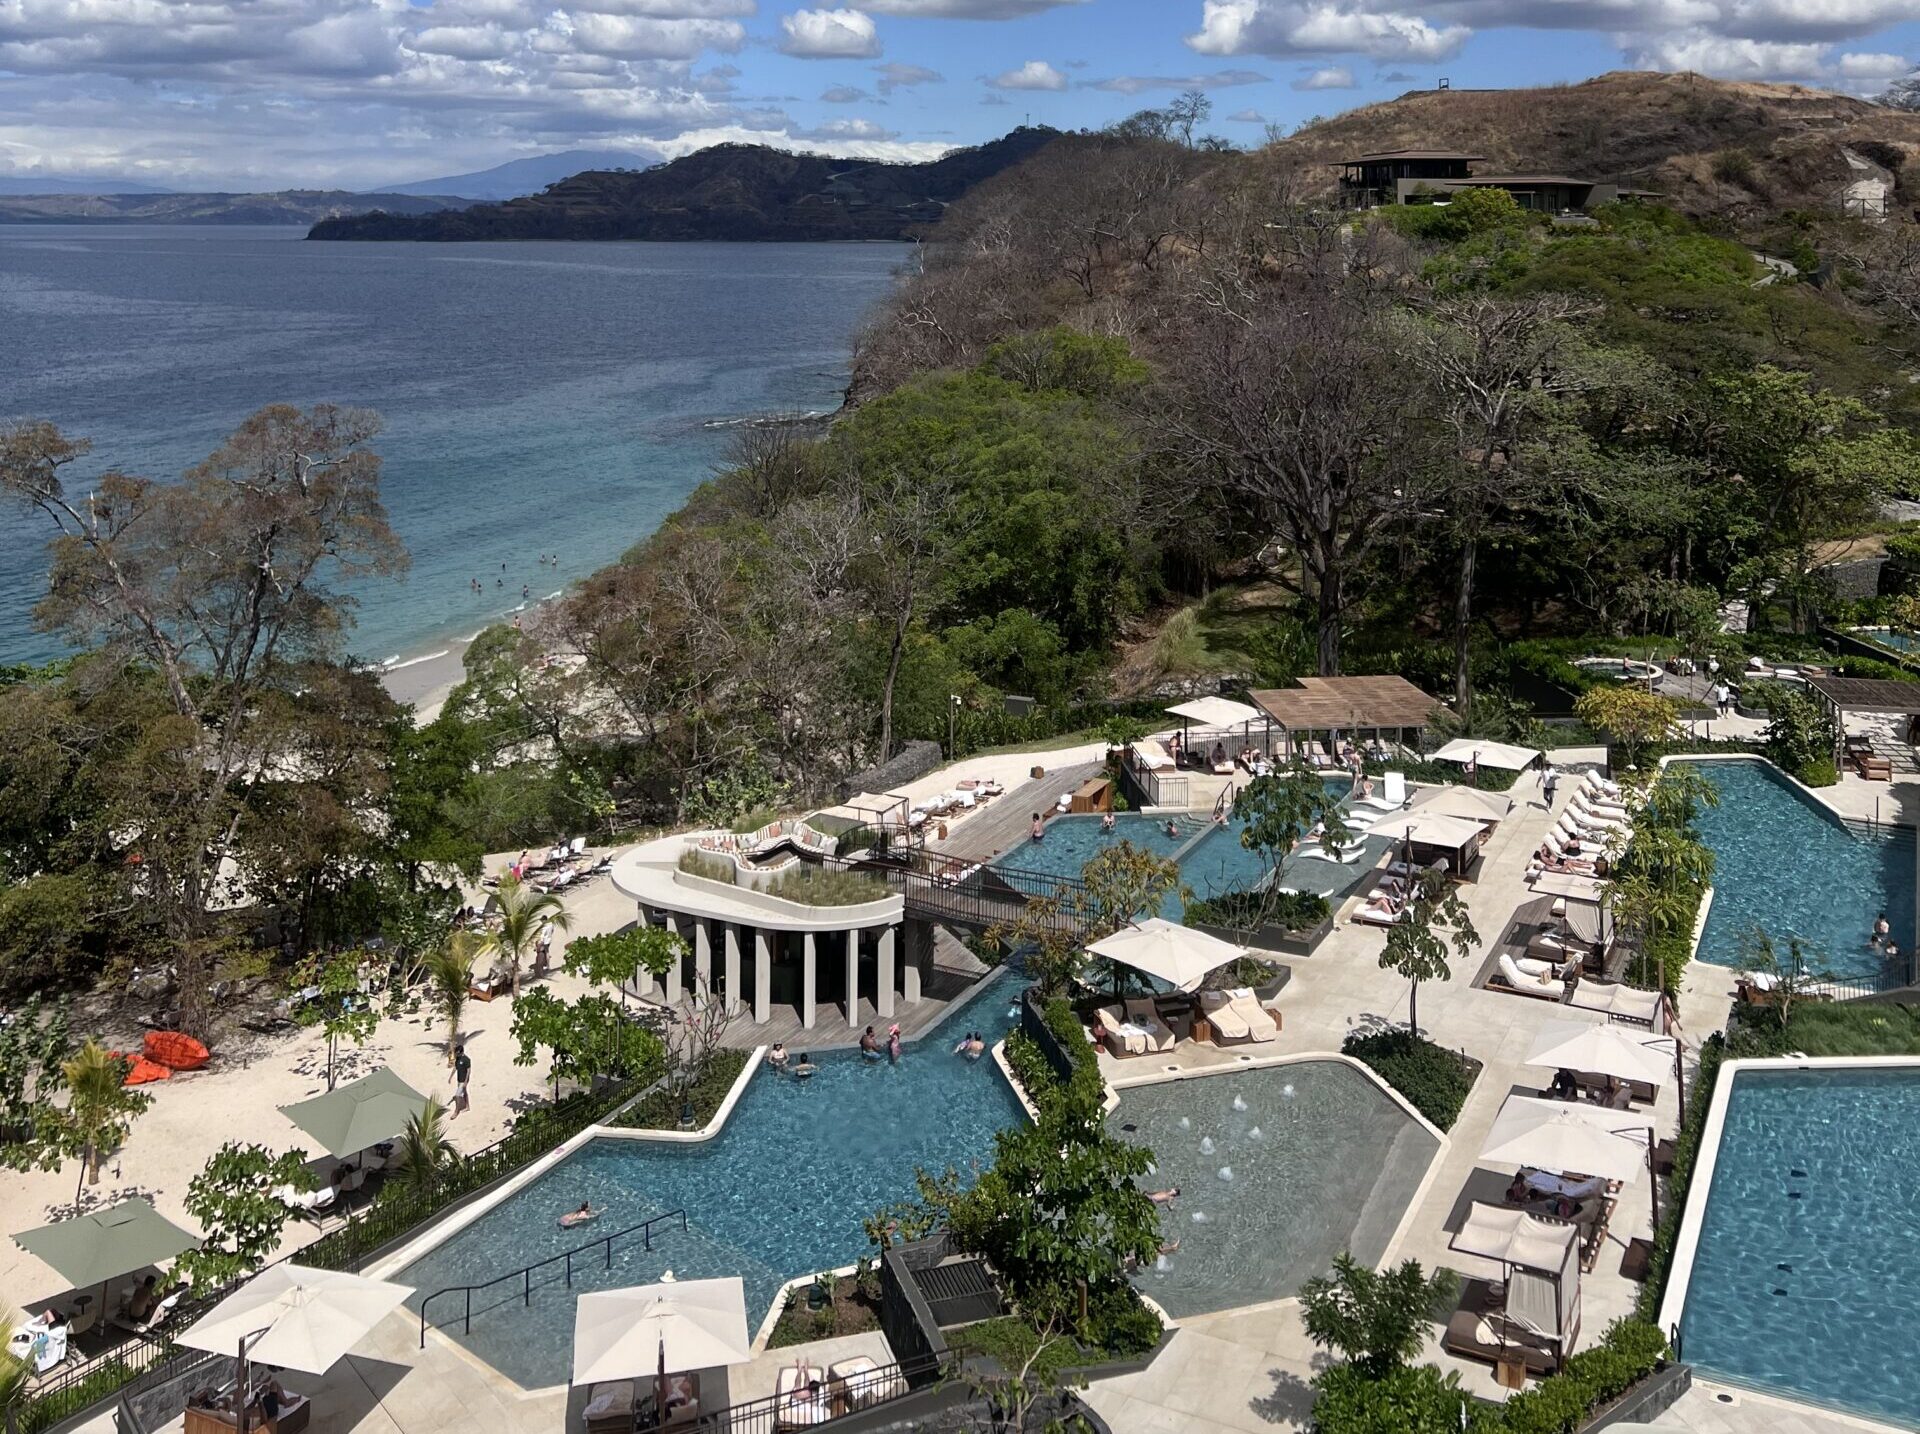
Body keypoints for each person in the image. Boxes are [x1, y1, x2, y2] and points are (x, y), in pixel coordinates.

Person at [452, 1041, 471, 1117]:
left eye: (458, 1053)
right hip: (459, 1080)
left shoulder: (466, 1059)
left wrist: (466, 1081)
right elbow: (455, 1068)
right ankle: (467, 1106)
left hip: (464, 1080)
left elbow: (469, 1071)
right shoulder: (458, 1058)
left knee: (457, 1096)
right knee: (465, 1093)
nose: (457, 1054)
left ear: (462, 1052)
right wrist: (450, 1077)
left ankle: (456, 1112)